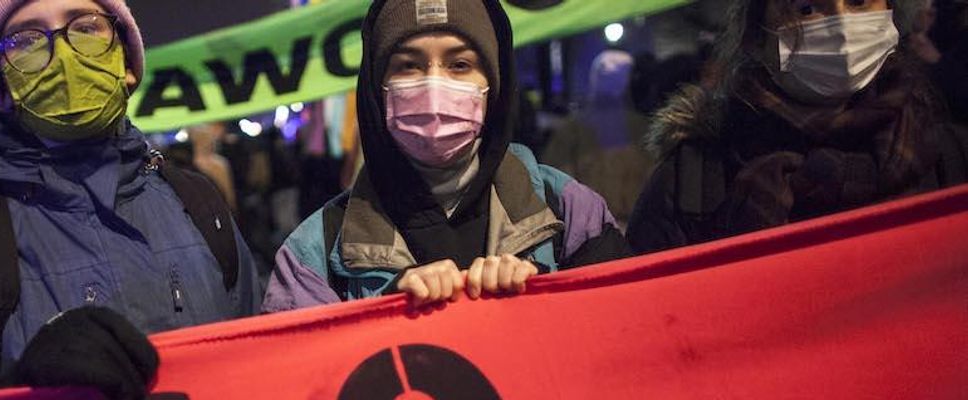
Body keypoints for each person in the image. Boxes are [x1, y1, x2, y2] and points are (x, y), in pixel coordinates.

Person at [0, 0, 262, 398]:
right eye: (26, 40)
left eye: (86, 27)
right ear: (4, 83)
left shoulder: (197, 205)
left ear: (125, 58)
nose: (63, 55)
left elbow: (260, 372)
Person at [263, 0, 631, 312]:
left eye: (460, 65)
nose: (434, 84)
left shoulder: (570, 212)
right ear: (377, 87)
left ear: (494, 85)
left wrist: (539, 303)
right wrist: (385, 314)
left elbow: (627, 342)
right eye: (408, 64)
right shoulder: (314, 254)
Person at [627, 0, 968, 254]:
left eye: (859, 1)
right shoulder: (692, 180)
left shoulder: (952, 159)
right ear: (757, 37)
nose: (840, 25)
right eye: (806, 7)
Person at [541, 50, 655, 227]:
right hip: (593, 234)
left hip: (636, 231)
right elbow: (556, 187)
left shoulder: (643, 129)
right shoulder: (572, 132)